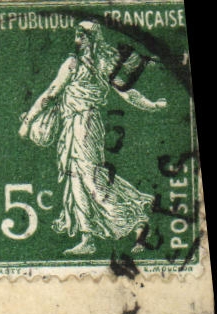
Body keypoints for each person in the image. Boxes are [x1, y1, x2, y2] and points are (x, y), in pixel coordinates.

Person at [18, 21, 167, 254]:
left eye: (81, 36)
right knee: (76, 179)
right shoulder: (92, 63)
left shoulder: (83, 64)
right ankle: (88, 238)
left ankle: (136, 218)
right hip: (74, 126)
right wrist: (152, 105)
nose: (77, 40)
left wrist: (28, 123)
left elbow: (51, 94)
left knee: (89, 179)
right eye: (78, 35)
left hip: (85, 126)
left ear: (89, 39)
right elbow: (52, 94)